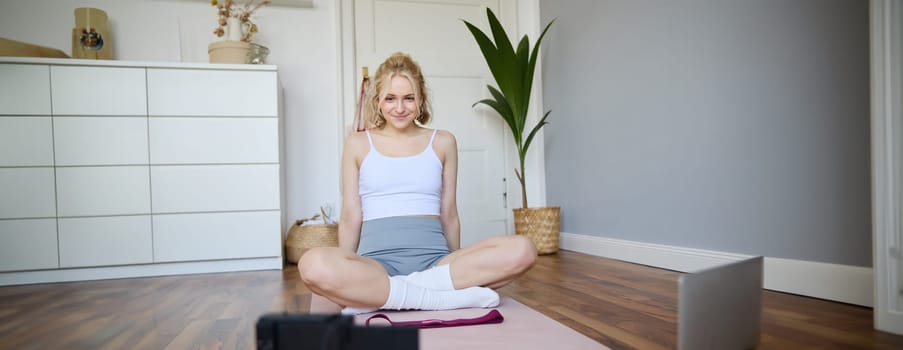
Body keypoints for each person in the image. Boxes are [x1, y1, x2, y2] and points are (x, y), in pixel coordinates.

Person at [297, 52, 536, 314]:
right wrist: (347, 267)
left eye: (408, 98)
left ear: (421, 100)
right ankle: (434, 298)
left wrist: (455, 265)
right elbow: (351, 215)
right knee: (312, 264)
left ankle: (396, 294)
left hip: (435, 264)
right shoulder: (358, 143)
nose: (400, 108)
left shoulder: (443, 141)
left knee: (523, 249)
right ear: (377, 101)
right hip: (376, 267)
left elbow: (449, 212)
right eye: (390, 98)